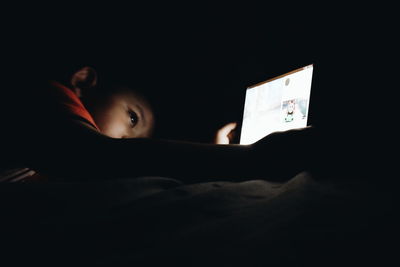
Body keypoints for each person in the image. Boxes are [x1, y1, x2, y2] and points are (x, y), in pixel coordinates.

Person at [2, 66, 319, 184]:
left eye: (133, 135)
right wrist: (251, 159)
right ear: (84, 81)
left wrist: (212, 154)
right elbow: (95, 155)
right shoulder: (44, 94)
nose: (125, 136)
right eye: (132, 118)